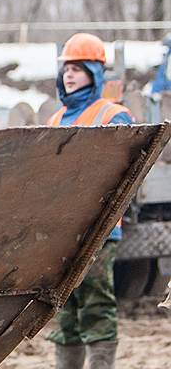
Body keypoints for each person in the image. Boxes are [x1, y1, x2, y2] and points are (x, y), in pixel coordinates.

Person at [46, 32, 133, 369]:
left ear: (95, 74)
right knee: (64, 309)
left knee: (96, 307)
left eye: (78, 69)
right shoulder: (54, 120)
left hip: (99, 231)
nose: (69, 74)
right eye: (66, 68)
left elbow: (122, 177)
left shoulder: (114, 115)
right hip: (62, 234)